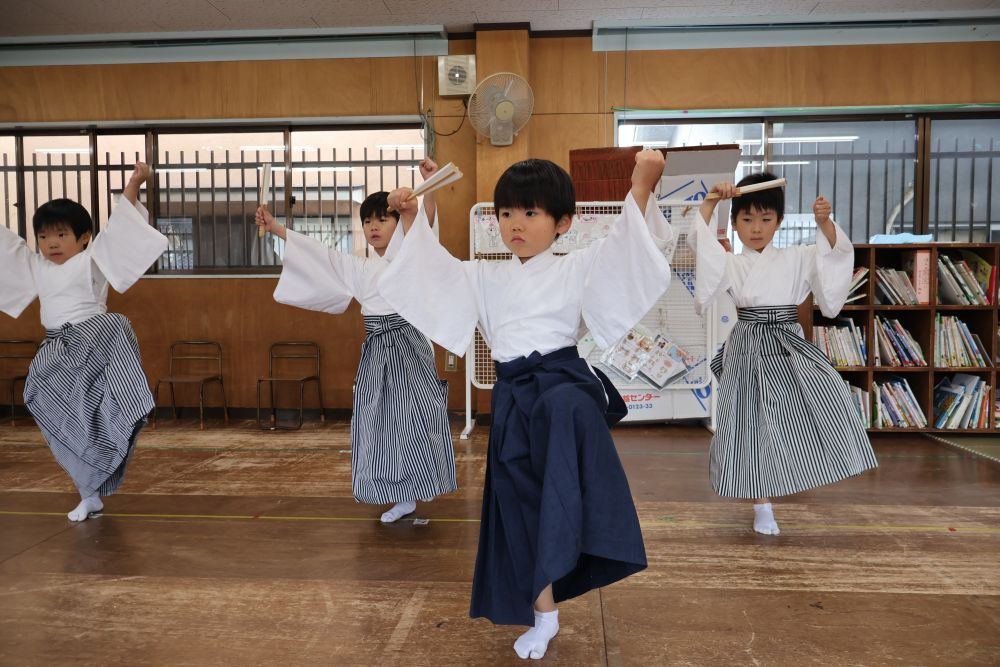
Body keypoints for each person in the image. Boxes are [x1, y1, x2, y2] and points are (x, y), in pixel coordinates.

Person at [378, 150, 673, 660]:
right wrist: (412, 216)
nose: (515, 224)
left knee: (561, 461)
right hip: (515, 397)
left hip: (562, 389)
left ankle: (591, 536)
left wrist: (642, 185)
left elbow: (629, 251)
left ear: (563, 222)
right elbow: (430, 271)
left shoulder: (579, 264)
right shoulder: (484, 276)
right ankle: (545, 614)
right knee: (521, 507)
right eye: (506, 213)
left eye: (530, 213)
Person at [255, 159, 456, 524]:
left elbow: (425, 229)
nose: (374, 227)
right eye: (368, 221)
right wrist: (275, 229)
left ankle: (415, 489)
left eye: (383, 219)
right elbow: (321, 256)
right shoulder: (361, 267)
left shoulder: (413, 254)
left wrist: (431, 186)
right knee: (377, 422)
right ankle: (395, 493)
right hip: (376, 348)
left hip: (408, 345)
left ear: (398, 224)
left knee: (413, 421)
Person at [691, 172, 878, 535]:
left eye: (765, 219)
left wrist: (825, 224)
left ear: (778, 222)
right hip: (747, 345)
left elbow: (834, 256)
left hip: (787, 343)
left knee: (820, 401)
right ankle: (763, 504)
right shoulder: (731, 262)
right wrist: (712, 202)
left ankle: (810, 467)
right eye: (746, 219)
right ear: (734, 223)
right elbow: (704, 253)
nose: (756, 228)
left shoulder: (798, 256)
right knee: (753, 424)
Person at [0, 162, 168, 521]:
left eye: (61, 234)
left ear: (84, 237)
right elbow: (5, 247)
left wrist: (135, 182)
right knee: (55, 409)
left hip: (94, 341)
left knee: (100, 406)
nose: (51, 243)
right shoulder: (36, 266)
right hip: (56, 351)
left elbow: (122, 228)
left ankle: (126, 407)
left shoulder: (93, 259)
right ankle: (88, 491)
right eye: (43, 236)